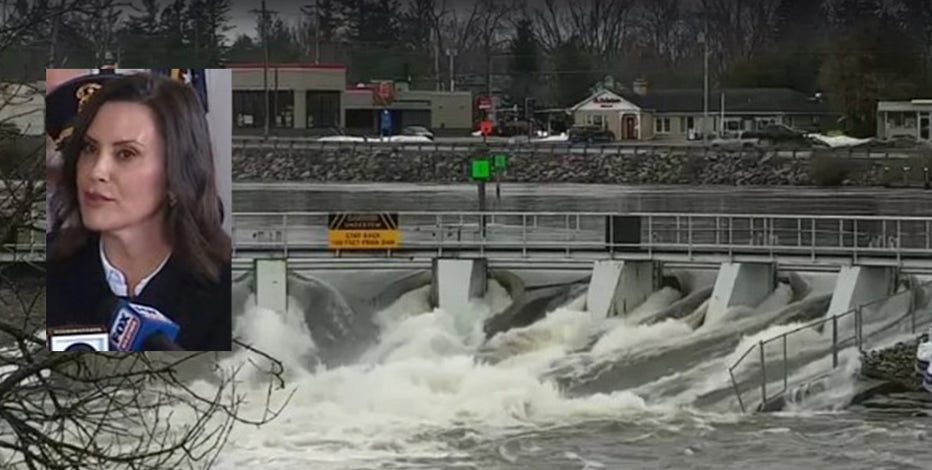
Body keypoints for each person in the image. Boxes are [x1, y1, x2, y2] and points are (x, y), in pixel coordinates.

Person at [46, 72, 231, 351]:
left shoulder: (226, 294)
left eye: (126, 154)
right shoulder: (47, 272)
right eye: (89, 148)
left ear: (176, 172)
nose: (96, 171)